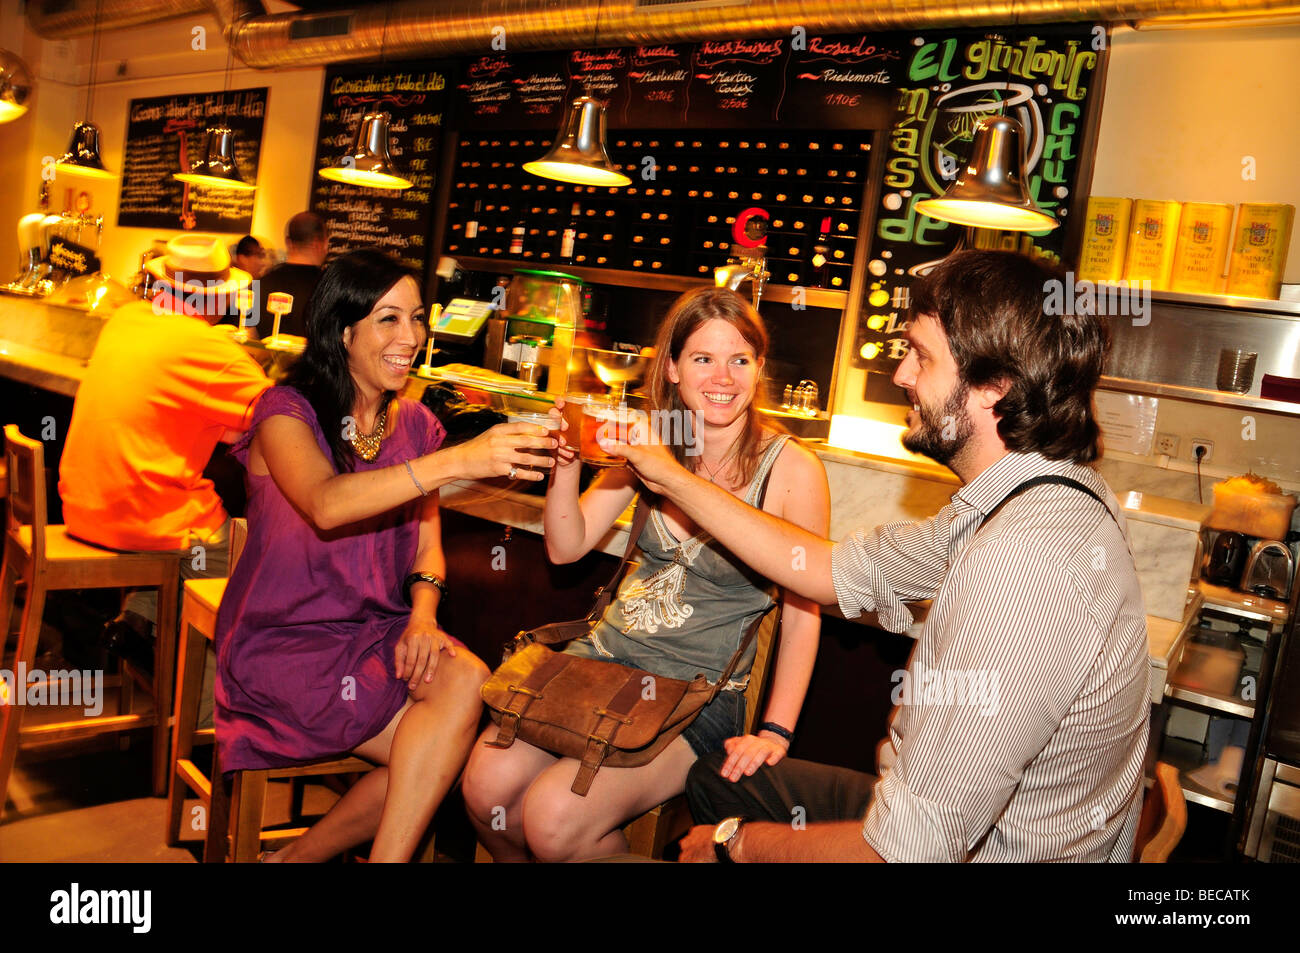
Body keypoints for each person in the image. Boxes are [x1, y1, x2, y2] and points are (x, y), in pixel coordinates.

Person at [605, 250, 1150, 863]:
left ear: (995, 384)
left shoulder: (1025, 565)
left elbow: (904, 854)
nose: (901, 376)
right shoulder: (1036, 494)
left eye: (921, 354)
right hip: (946, 826)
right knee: (715, 781)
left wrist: (736, 846)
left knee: (721, 830)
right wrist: (672, 477)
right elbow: (826, 568)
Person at [461, 287, 830, 862]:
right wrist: (567, 464)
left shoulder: (791, 470)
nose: (723, 377)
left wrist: (776, 731)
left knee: (553, 820)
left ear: (759, 369)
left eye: (740, 359)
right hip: (600, 666)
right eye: (703, 359)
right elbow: (566, 548)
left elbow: (805, 611)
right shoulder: (653, 440)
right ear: (673, 368)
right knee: (485, 789)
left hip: (696, 696)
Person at [214, 248, 557, 863]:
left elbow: (426, 544)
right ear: (343, 333)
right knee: (439, 754)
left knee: (467, 683)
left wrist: (424, 613)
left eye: (418, 318)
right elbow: (326, 503)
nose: (412, 337)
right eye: (389, 319)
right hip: (285, 641)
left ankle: (307, 860)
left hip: (374, 634)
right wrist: (457, 460)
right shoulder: (284, 413)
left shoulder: (415, 423)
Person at [59, 233, 271, 682]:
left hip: (80, 508)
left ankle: (137, 620)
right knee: (257, 555)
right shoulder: (211, 351)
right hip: (138, 521)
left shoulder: (127, 318)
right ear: (221, 297)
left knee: (202, 535)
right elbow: (281, 418)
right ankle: (200, 705)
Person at [255, 211, 328, 339]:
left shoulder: (259, 284)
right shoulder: (328, 289)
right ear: (318, 244)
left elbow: (246, 334)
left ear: (288, 242)